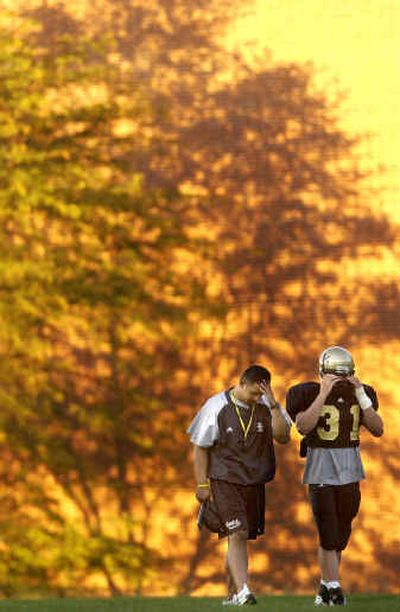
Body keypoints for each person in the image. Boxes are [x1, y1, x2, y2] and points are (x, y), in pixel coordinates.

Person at [286, 346, 384, 607]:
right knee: (328, 531)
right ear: (323, 373)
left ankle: (325, 585)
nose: (340, 382)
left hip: (351, 471)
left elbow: (378, 429)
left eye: (344, 376)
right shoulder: (307, 393)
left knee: (340, 534)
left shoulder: (360, 395)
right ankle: (334, 587)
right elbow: (303, 426)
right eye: (335, 376)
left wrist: (361, 393)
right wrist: (324, 391)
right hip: (321, 471)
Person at [187, 364, 291, 606]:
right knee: (238, 531)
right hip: (225, 480)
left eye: (261, 394)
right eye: (254, 393)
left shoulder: (267, 406)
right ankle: (244, 591)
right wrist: (202, 484)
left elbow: (283, 436)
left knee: (240, 537)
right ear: (241, 384)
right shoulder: (217, 406)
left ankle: (232, 594)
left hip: (255, 482)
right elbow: (200, 447)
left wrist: (274, 405)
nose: (257, 398)